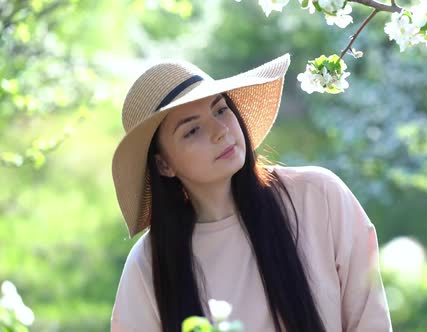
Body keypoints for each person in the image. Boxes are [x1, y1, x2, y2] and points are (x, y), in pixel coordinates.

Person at [110, 53, 392, 332]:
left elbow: (370, 321)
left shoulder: (319, 197)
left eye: (220, 110)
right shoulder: (150, 264)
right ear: (163, 164)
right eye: (192, 130)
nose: (220, 131)